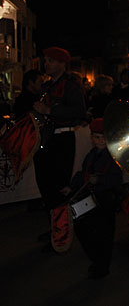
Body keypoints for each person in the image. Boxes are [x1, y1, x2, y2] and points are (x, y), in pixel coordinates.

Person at [62, 118, 123, 279]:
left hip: (106, 199)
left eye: (103, 137)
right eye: (96, 137)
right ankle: (97, 260)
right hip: (91, 198)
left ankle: (102, 265)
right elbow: (84, 173)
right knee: (85, 230)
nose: (100, 141)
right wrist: (72, 186)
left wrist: (101, 180)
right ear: (91, 138)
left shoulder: (114, 156)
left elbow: (117, 180)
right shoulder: (91, 154)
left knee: (105, 234)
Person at [33, 47, 87, 214]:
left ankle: (61, 231)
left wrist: (49, 111)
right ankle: (54, 229)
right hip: (47, 139)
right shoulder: (47, 86)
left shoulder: (71, 85)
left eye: (51, 60)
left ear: (61, 64)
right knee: (46, 185)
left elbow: (79, 112)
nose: (46, 64)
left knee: (59, 187)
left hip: (62, 139)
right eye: (46, 60)